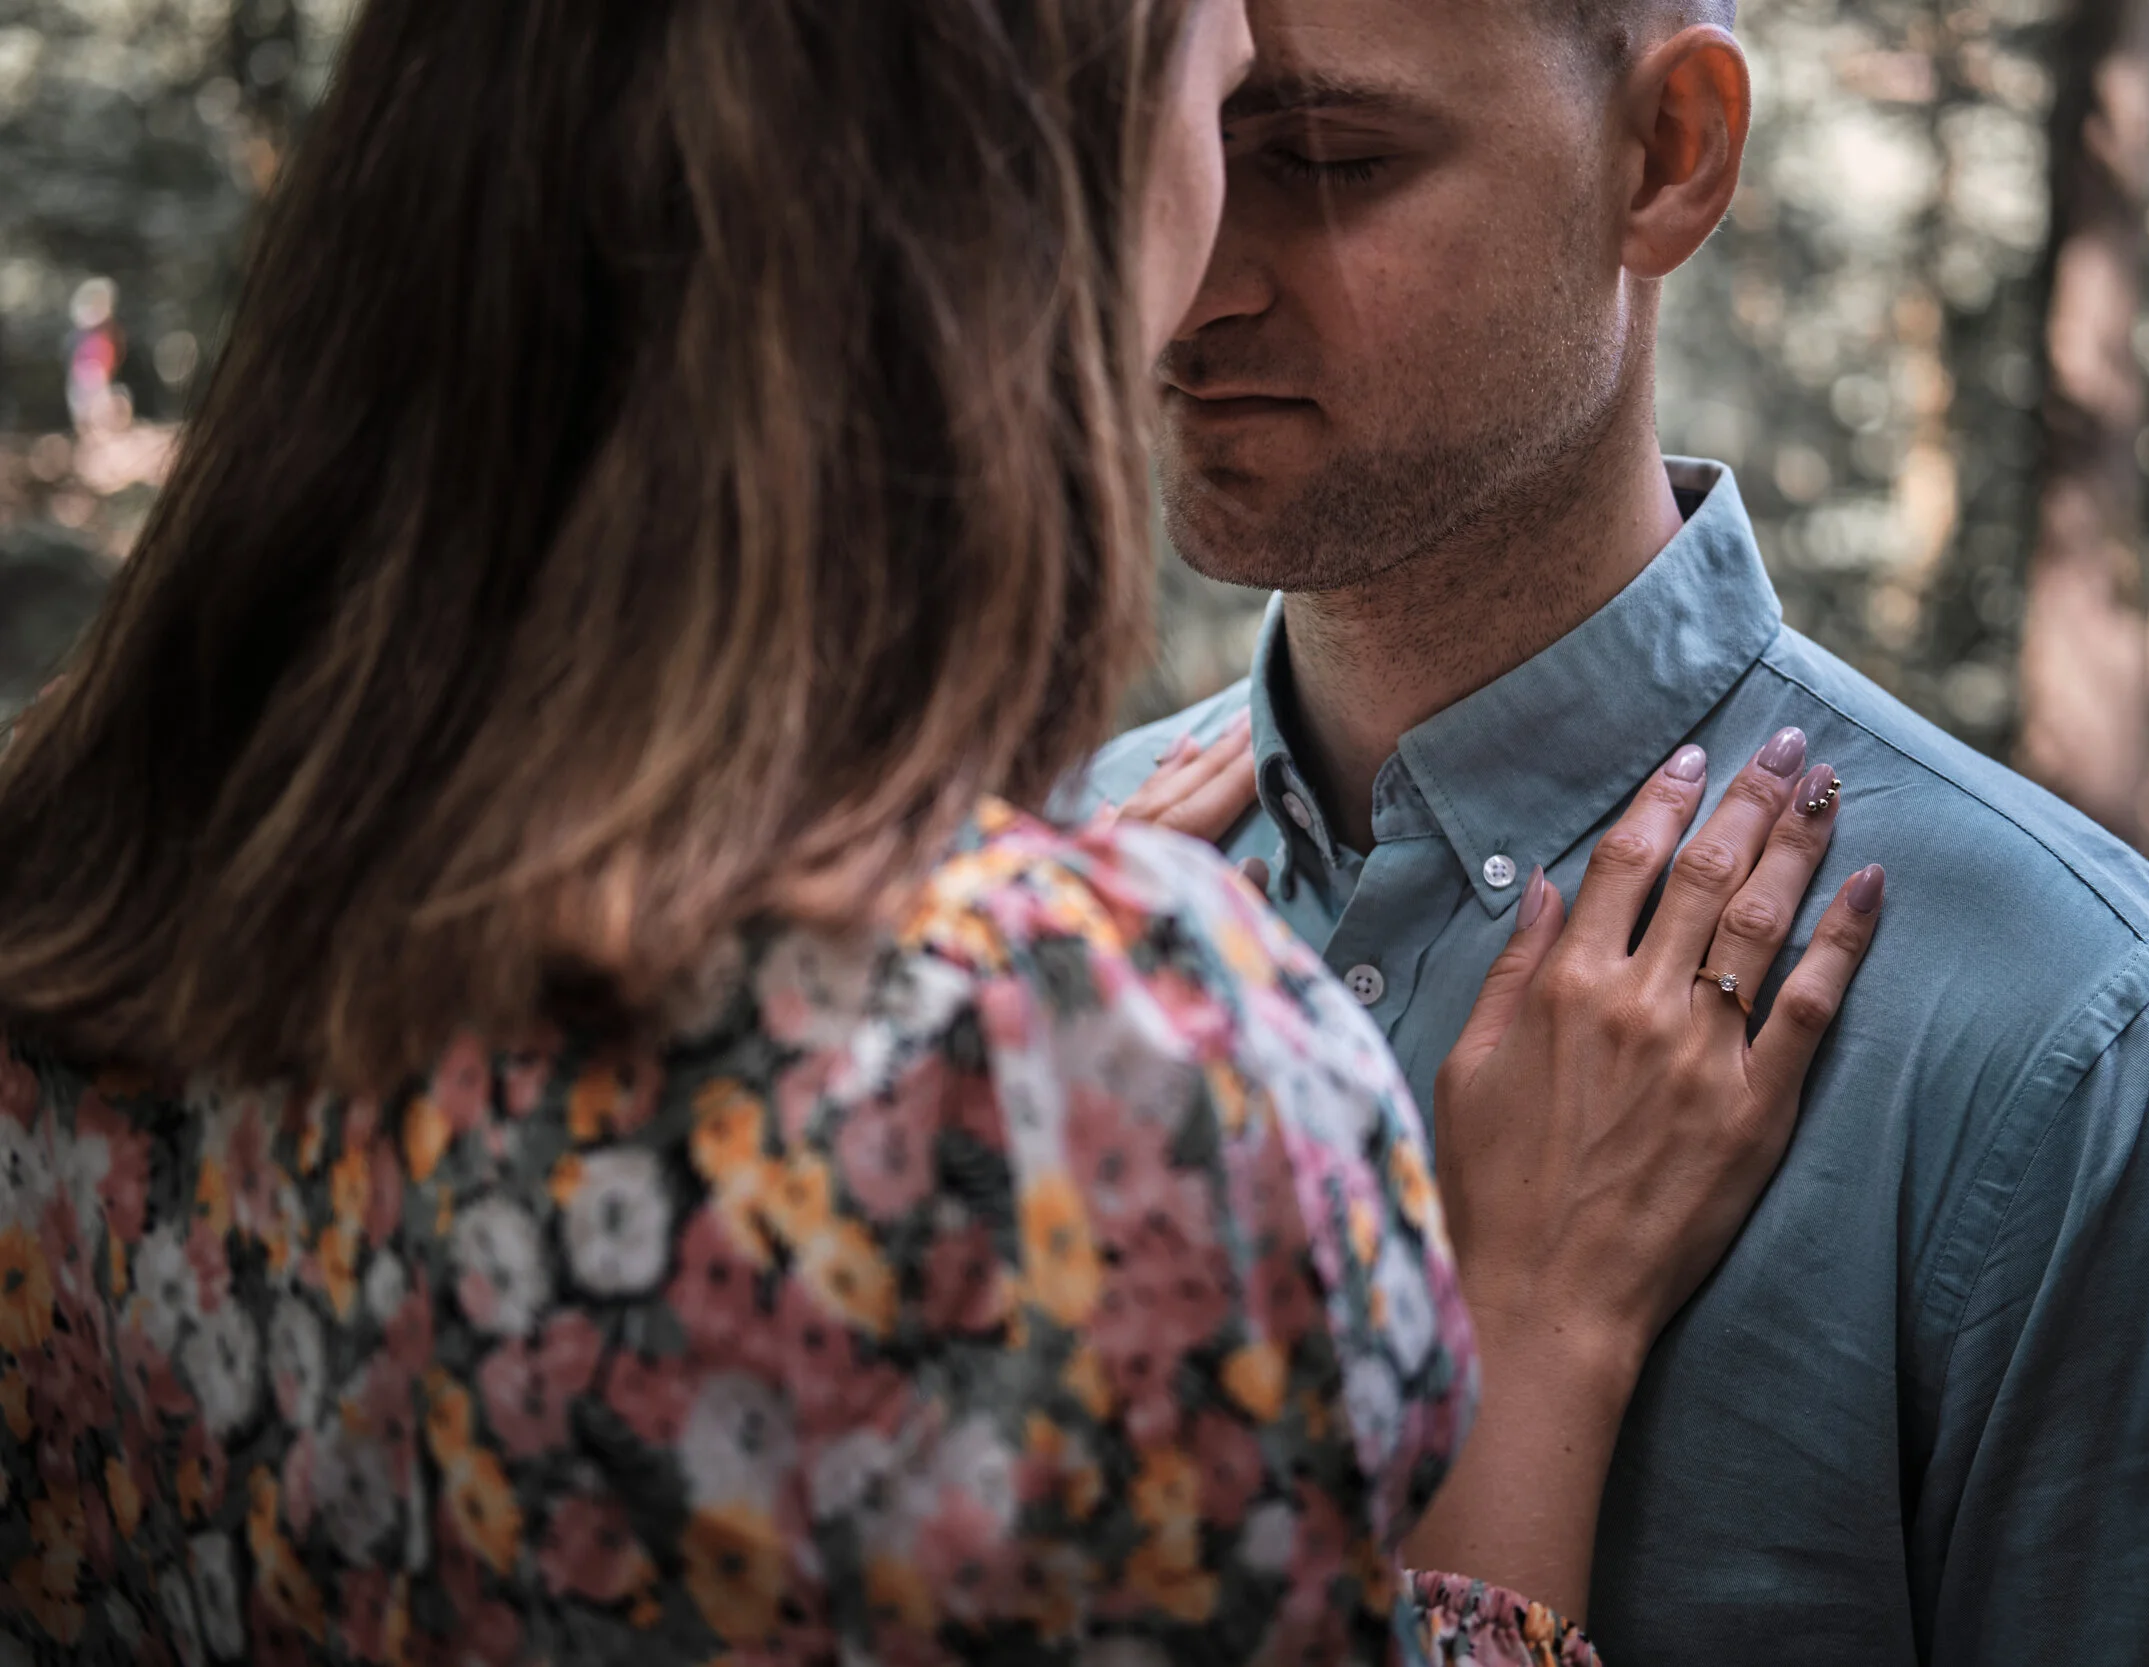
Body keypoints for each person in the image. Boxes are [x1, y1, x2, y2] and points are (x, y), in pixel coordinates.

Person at [0, 0, 1885, 1662]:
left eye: (1318, 157)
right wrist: (1531, 1334)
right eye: (1210, 114)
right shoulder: (1083, 1064)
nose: (1209, 271)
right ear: (995, 209)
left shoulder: (70, 895)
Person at [1081, 0, 2149, 1660]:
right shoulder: (1014, 913)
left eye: (1329, 160)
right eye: (1153, 152)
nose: (1193, 283)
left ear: (1670, 154)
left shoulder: (2063, 1037)